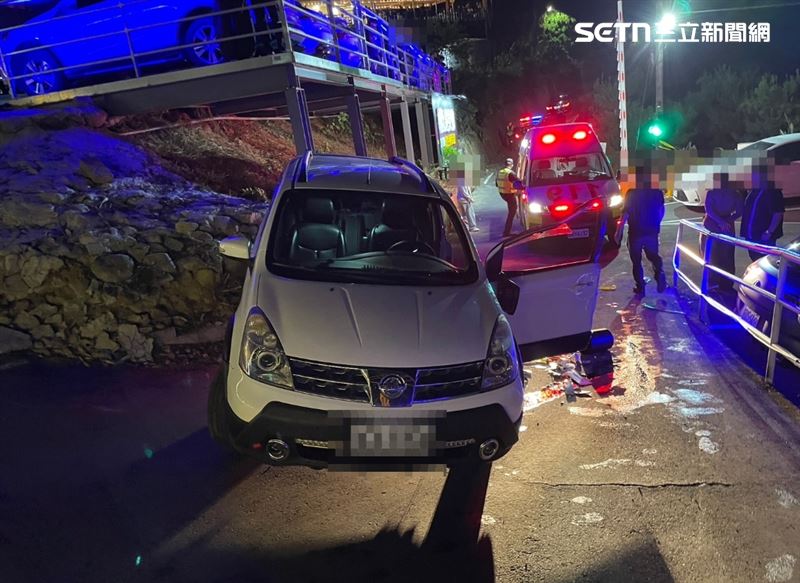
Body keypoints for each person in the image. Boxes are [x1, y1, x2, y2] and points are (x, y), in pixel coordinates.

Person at [614, 159, 667, 295]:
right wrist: (657, 223)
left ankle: (640, 287)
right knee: (653, 255)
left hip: (636, 232)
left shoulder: (632, 193)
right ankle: (659, 272)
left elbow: (625, 214)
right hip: (651, 231)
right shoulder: (657, 192)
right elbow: (661, 211)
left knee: (636, 260)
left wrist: (618, 232)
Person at [703, 172, 743, 294]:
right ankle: (725, 283)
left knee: (712, 255)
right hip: (726, 225)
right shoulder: (735, 194)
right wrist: (726, 221)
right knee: (726, 256)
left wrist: (720, 221)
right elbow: (740, 211)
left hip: (713, 224)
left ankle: (713, 283)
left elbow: (708, 209)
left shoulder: (712, 193)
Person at [741, 160, 785, 261]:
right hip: (752, 234)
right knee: (755, 259)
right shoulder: (755, 189)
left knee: (764, 261)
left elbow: (778, 213)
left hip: (763, 236)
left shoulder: (773, 191)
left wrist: (769, 232)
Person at [496, 158, 520, 237]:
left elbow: (496, 184)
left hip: (503, 194)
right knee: (512, 212)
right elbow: (519, 183)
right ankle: (506, 232)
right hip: (510, 194)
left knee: (511, 211)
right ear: (512, 165)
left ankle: (506, 231)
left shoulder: (500, 172)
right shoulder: (511, 173)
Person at [455, 163, 479, 232]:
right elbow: (464, 191)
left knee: (465, 214)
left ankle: (467, 228)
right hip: (464, 199)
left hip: (463, 198)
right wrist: (469, 198)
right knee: (469, 213)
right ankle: (472, 227)